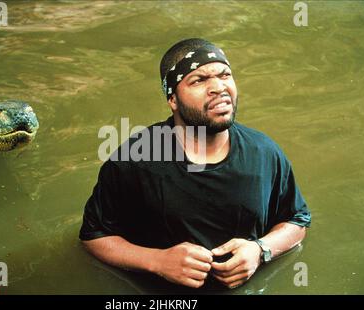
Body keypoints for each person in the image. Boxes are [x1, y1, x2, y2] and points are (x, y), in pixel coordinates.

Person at [79, 38, 311, 290]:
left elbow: (297, 220)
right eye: (198, 80)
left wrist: (260, 250)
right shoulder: (136, 159)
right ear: (173, 99)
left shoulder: (264, 152)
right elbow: (94, 236)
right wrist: (157, 261)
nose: (218, 87)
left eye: (225, 75)